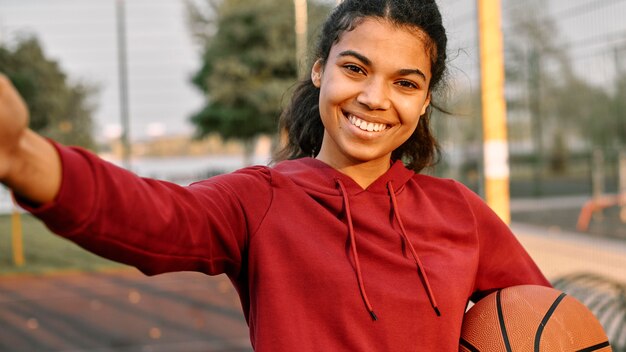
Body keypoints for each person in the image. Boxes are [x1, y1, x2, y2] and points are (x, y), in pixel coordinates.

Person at [0, 0, 550, 350]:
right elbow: (149, 214)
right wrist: (21, 156)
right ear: (320, 70)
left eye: (405, 83)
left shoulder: (460, 213)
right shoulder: (261, 200)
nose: (374, 98)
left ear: (425, 98)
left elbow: (543, 321)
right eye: (355, 68)